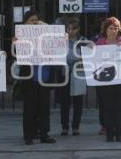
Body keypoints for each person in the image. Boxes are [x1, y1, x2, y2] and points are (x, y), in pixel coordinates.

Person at [16, 10, 56, 145]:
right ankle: (29, 135)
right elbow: (16, 53)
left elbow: (57, 41)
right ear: (25, 23)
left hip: (44, 77)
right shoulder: (20, 37)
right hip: (29, 77)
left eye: (36, 20)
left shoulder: (46, 35)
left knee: (44, 107)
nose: (34, 22)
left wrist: (43, 25)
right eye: (31, 20)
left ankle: (44, 134)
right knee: (30, 107)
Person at [95, 16, 121, 142]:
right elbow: (92, 57)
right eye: (110, 28)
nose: (113, 31)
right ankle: (109, 134)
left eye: (116, 28)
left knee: (118, 107)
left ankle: (119, 134)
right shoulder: (100, 42)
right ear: (105, 29)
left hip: (119, 79)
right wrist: (90, 49)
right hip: (105, 80)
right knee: (107, 107)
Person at [56, 17, 87, 136]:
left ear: (78, 29)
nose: (70, 31)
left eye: (73, 29)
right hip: (64, 73)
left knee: (78, 101)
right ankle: (64, 126)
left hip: (78, 72)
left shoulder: (83, 40)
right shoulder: (61, 40)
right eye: (68, 28)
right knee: (64, 102)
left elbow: (90, 53)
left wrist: (83, 56)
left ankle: (75, 126)